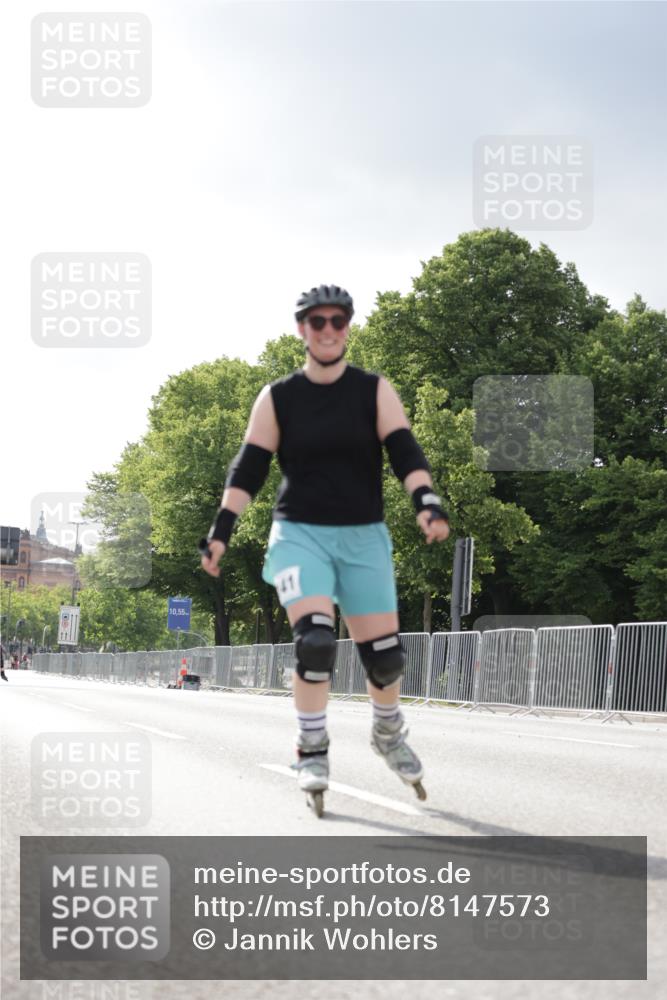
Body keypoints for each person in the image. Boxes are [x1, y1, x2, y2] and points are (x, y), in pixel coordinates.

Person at [201, 284, 449, 811]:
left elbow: (405, 450)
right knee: (315, 643)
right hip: (300, 535)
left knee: (384, 660)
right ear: (302, 330)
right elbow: (249, 466)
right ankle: (311, 745)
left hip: (364, 537)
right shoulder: (278, 397)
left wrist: (426, 501)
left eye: (339, 320)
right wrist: (221, 529)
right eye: (319, 322)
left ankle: (387, 731)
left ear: (348, 326)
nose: (330, 329)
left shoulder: (373, 390)